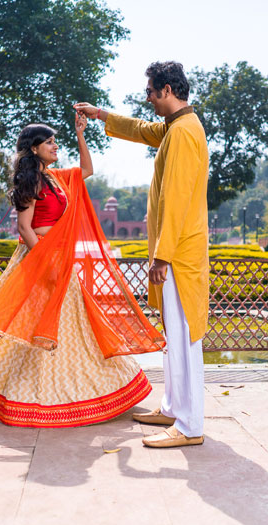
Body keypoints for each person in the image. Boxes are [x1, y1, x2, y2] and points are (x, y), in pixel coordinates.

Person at [0, 113, 164, 428]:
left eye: (55, 141)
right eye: (49, 142)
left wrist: (81, 133)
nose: (55, 146)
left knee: (73, 327)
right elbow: (24, 228)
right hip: (38, 259)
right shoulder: (30, 181)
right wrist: (45, 263)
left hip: (59, 259)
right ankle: (20, 393)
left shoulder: (56, 177)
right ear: (34, 148)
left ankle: (70, 393)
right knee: (31, 324)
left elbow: (88, 170)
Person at [75, 60, 209, 448]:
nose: (147, 98)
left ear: (167, 90)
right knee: (174, 333)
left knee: (184, 337)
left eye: (150, 91)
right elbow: (139, 129)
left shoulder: (184, 133)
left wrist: (162, 257)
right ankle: (172, 408)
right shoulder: (176, 128)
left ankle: (189, 426)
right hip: (175, 253)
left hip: (178, 256)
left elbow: (178, 199)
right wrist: (100, 115)